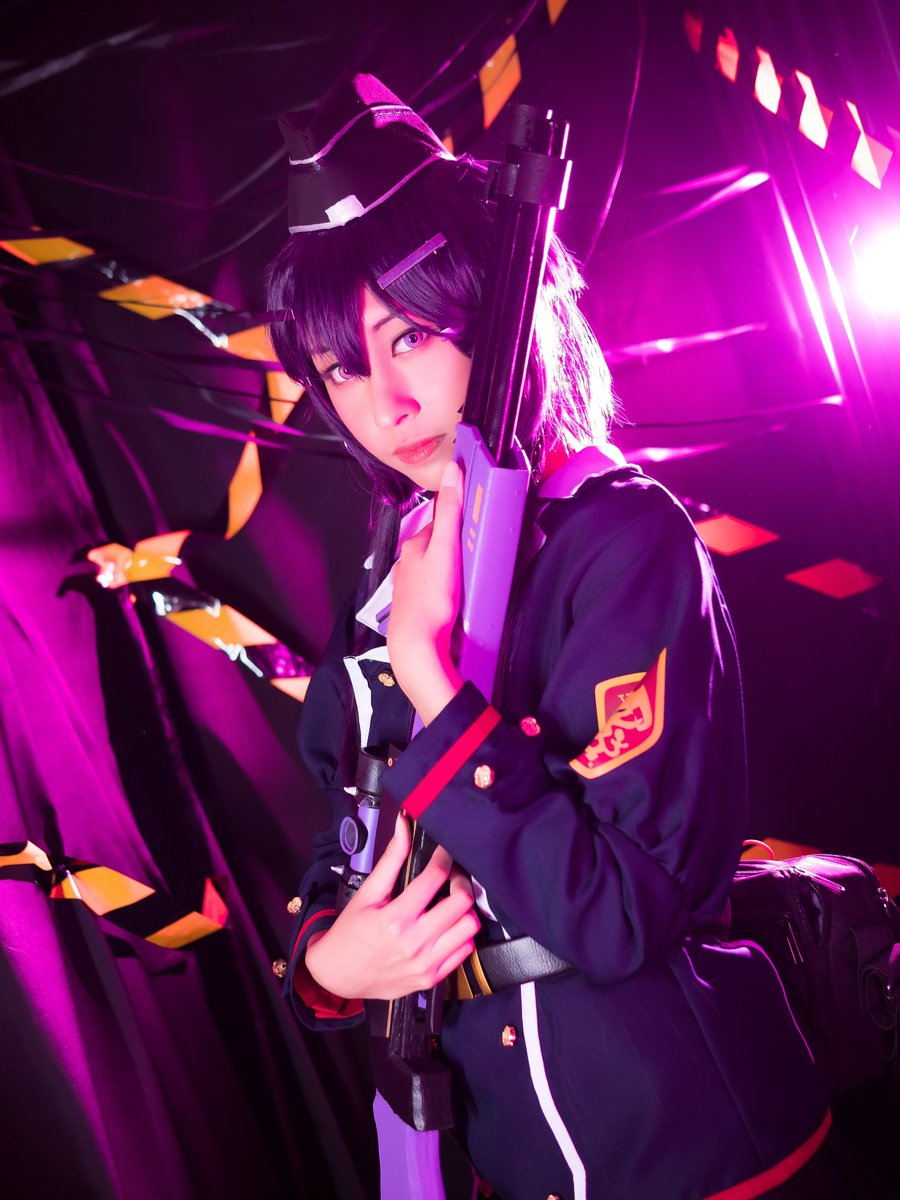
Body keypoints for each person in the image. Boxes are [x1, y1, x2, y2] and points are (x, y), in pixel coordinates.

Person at [266, 74, 849, 1199]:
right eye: (343, 367)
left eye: (412, 335)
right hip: (505, 1161)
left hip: (700, 1156)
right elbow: (346, 844)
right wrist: (331, 964)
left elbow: (618, 916)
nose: (384, 404)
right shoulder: (391, 581)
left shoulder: (623, 542)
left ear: (494, 311)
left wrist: (432, 676)